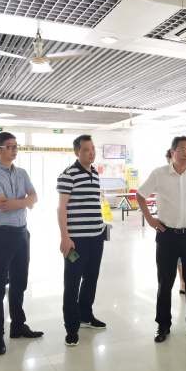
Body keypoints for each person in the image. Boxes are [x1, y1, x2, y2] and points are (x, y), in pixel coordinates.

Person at [136, 136, 186, 343]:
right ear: (173, 152)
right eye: (182, 150)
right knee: (165, 282)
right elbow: (140, 195)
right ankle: (163, 325)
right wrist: (150, 218)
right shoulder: (159, 173)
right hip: (167, 235)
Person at [0, 132, 44, 356]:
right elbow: (2, 204)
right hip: (0, 234)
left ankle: (18, 325)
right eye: (10, 146)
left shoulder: (22, 173)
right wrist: (25, 202)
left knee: (19, 282)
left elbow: (34, 197)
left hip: (21, 232)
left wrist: (21, 202)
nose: (14, 149)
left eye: (16, 146)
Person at [57, 135, 107, 347]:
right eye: (86, 149)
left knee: (91, 278)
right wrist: (65, 237)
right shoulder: (68, 175)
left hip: (96, 237)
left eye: (93, 148)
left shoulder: (95, 172)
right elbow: (61, 208)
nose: (92, 152)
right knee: (72, 282)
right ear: (77, 152)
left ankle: (86, 315)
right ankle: (71, 327)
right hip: (76, 240)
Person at [166, 149, 186, 295]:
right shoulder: (162, 175)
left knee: (181, 259)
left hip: (185, 227)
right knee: (169, 261)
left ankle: (183, 282)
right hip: (168, 227)